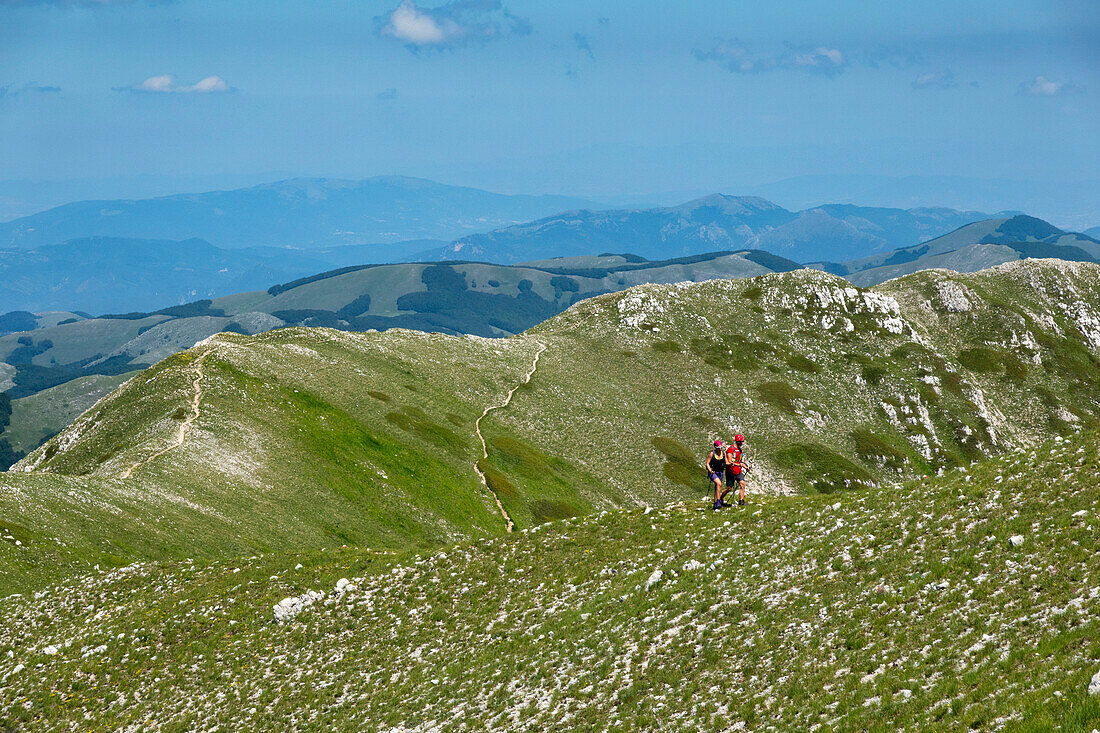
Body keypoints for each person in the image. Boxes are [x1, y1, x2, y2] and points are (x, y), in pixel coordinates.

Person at [723, 433, 748, 506]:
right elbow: (729, 461)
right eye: (741, 442)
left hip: (738, 471)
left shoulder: (740, 450)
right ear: (737, 441)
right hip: (730, 471)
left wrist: (745, 467)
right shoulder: (730, 449)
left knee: (742, 483)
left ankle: (741, 501)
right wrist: (739, 464)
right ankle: (720, 499)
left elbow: (740, 461)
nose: (742, 443)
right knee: (729, 488)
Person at [705, 439, 727, 511]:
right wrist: (710, 470)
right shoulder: (712, 454)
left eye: (721, 447)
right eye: (718, 448)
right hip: (713, 472)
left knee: (718, 486)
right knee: (719, 483)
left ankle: (715, 504)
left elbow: (726, 462)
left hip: (720, 471)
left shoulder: (723, 453)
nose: (720, 449)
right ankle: (718, 502)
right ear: (715, 447)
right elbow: (707, 463)